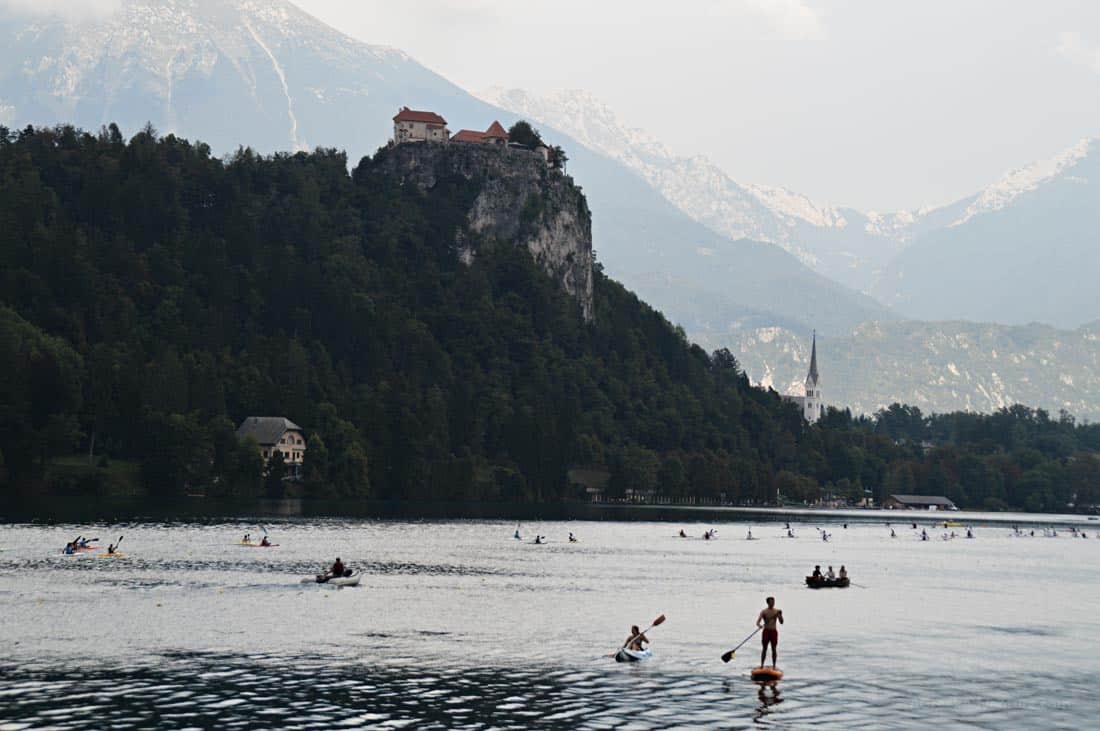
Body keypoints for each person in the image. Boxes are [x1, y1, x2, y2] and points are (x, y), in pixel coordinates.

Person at [757, 597, 784, 668]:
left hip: (773, 632)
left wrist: (781, 615)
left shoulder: (776, 611)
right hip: (766, 631)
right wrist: (759, 625)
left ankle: (774, 666)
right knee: (764, 648)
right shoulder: (764, 611)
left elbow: (781, 622)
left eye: (773, 602)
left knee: (774, 649)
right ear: (768, 603)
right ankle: (762, 665)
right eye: (771, 602)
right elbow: (758, 622)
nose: (773, 603)